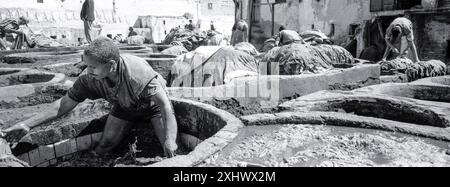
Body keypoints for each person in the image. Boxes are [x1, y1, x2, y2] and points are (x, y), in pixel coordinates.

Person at [2, 37, 178, 157]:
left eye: (93, 67)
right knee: (104, 146)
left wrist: (170, 139)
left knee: (168, 150)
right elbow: (64, 104)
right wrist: (27, 124)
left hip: (152, 107)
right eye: (87, 65)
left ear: (111, 65)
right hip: (124, 106)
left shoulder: (138, 73)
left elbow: (164, 106)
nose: (88, 70)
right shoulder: (89, 79)